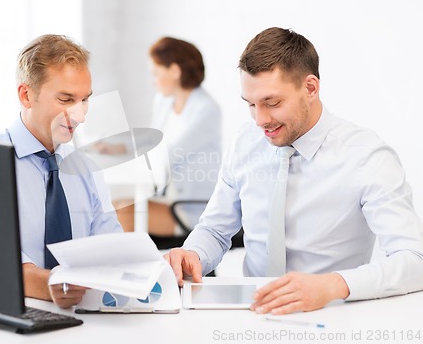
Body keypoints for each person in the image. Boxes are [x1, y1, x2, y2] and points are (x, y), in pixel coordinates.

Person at [165, 27, 423, 315]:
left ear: (310, 88)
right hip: (253, 316)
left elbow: (414, 259)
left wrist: (334, 285)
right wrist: (193, 254)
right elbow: (215, 229)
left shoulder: (367, 157)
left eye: (272, 103)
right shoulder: (245, 142)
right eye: (251, 104)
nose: (260, 119)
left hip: (333, 317)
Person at [0, 34, 123, 308]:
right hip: (12, 315)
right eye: (66, 99)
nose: (80, 115)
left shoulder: (86, 167)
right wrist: (50, 283)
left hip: (81, 317)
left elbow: (110, 247)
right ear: (26, 95)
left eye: (85, 100)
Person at [94, 37, 222, 236]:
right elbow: (150, 141)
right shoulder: (164, 102)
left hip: (189, 208)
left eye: (155, 73)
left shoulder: (206, 110)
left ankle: (129, 266)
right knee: (108, 206)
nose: (153, 81)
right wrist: (117, 147)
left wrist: (128, 157)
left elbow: (166, 156)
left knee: (122, 213)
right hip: (165, 197)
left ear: (174, 71)